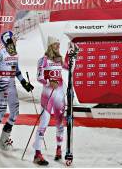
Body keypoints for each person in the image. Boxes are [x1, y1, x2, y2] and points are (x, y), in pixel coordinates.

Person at [32, 36, 76, 165]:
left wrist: (71, 54)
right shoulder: (43, 60)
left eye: (58, 44)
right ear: (50, 46)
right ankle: (37, 154)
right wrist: (49, 82)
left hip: (59, 95)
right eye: (55, 44)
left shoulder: (59, 59)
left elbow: (70, 68)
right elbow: (39, 77)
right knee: (44, 123)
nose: (58, 46)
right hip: (48, 95)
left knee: (59, 122)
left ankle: (59, 149)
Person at [0, 31, 34, 151]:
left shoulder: (15, 53)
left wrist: (24, 82)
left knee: (15, 112)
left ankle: (4, 140)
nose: (16, 40)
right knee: (1, 112)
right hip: (2, 84)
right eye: (14, 38)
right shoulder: (1, 53)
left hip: (11, 83)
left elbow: (16, 70)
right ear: (8, 40)